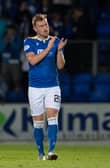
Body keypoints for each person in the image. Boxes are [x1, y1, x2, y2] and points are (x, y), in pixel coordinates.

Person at [24, 13, 67, 160]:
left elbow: (60, 66)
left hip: (52, 86)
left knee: (52, 116)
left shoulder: (55, 42)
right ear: (35, 28)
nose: (45, 28)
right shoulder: (28, 42)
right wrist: (48, 49)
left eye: (46, 25)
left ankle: (51, 151)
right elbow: (33, 61)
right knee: (38, 122)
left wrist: (59, 50)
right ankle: (40, 154)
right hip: (35, 88)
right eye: (41, 26)